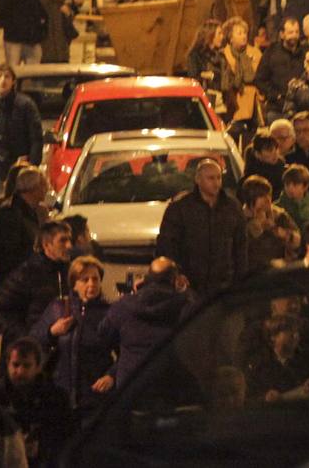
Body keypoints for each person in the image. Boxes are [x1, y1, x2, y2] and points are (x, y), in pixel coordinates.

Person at [29, 255, 112, 414]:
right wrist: (52, 332)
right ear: (74, 284)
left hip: (94, 398)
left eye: (95, 279)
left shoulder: (109, 313)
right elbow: (33, 341)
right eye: (85, 279)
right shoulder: (58, 308)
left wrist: (111, 376)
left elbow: (125, 350)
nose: (91, 284)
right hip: (60, 397)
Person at [153, 158, 246, 296]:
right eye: (211, 178)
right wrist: (176, 275)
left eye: (219, 178)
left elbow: (241, 245)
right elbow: (167, 244)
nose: (216, 183)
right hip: (191, 285)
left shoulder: (232, 208)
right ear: (198, 179)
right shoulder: (181, 209)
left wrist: (240, 280)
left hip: (224, 286)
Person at [96, 257, 191, 389]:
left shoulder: (125, 305)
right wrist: (186, 290)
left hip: (130, 389)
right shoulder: (184, 305)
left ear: (148, 278)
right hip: (168, 388)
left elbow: (104, 334)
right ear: (175, 280)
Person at [0, 338, 73, 466]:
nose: (20, 372)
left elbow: (65, 434)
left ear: (38, 367)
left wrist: (41, 444)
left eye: (26, 366)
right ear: (7, 364)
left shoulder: (55, 397)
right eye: (15, 365)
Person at [0, 221, 70, 346]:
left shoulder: (69, 272)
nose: (69, 245)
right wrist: (29, 337)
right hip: (35, 351)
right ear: (47, 245)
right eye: (62, 241)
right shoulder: (27, 274)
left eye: (70, 240)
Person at [0, 66, 42, 206]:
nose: (3, 80)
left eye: (7, 76)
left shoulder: (26, 105)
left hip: (20, 169)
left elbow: (36, 137)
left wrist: (32, 164)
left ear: (13, 81)